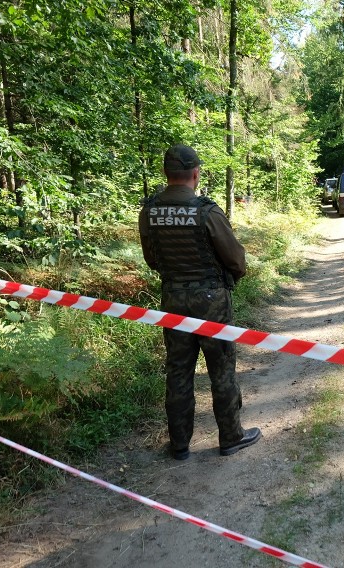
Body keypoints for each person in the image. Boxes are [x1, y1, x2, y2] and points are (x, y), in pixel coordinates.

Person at [139, 144, 261, 460]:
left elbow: (151, 259)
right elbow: (236, 260)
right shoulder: (207, 212)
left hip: (173, 299)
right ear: (196, 173)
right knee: (221, 368)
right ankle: (230, 436)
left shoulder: (149, 211)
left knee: (178, 370)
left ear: (166, 174)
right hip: (212, 301)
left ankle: (179, 444)